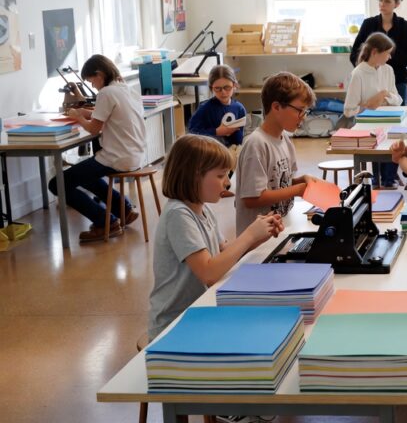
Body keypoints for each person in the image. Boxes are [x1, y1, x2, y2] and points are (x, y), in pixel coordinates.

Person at [148, 134, 282, 341]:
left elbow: (224, 253)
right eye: (220, 176)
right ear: (194, 176)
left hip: (201, 311)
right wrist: (249, 235)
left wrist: (259, 235)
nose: (227, 183)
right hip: (175, 325)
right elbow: (209, 272)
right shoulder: (178, 214)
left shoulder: (202, 209)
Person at [51, 54, 147, 243]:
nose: (93, 85)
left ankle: (105, 222)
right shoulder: (126, 89)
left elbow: (94, 129)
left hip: (117, 157)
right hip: (135, 154)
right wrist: (86, 112)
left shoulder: (106, 93)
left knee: (57, 183)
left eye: (91, 81)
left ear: (100, 74)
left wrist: (79, 117)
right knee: (84, 174)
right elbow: (106, 113)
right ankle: (123, 209)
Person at [235, 72, 324, 235]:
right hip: (256, 240)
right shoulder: (256, 144)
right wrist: (298, 190)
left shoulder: (285, 140)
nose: (303, 117)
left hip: (278, 230)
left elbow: (279, 183)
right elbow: (252, 198)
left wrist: (300, 181)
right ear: (276, 107)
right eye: (300, 110)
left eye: (305, 111)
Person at [345, 32, 403, 188]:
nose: (389, 57)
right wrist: (368, 105)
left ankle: (388, 179)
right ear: (375, 52)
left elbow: (398, 99)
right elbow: (349, 110)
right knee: (378, 141)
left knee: (396, 141)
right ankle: (379, 180)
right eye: (387, 53)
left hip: (389, 121)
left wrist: (384, 95)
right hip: (368, 126)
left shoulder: (388, 70)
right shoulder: (358, 73)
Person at [349, 0, 407, 104]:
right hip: (369, 80)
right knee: (370, 112)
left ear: (396, 4)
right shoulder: (368, 24)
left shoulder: (405, 26)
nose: (382, 4)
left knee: (398, 112)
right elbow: (355, 54)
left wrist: (384, 56)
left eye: (387, 1)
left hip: (398, 80)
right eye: (380, 0)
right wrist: (367, 70)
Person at [187, 65, 247, 148]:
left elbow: (239, 140)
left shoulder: (239, 108)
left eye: (227, 87)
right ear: (211, 88)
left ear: (234, 85)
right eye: (217, 88)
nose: (223, 92)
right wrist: (217, 132)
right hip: (211, 152)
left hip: (233, 151)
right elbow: (192, 133)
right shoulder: (205, 109)